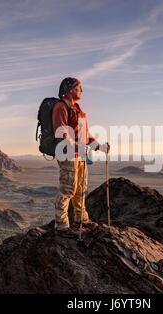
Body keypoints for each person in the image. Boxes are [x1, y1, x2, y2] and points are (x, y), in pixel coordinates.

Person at [52, 77, 109, 238]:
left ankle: (81, 220)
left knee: (81, 189)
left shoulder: (77, 109)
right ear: (70, 89)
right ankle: (61, 226)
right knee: (68, 189)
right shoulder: (61, 107)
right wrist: (77, 146)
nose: (82, 91)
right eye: (79, 87)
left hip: (80, 155)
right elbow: (61, 134)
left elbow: (85, 135)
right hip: (68, 154)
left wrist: (98, 145)